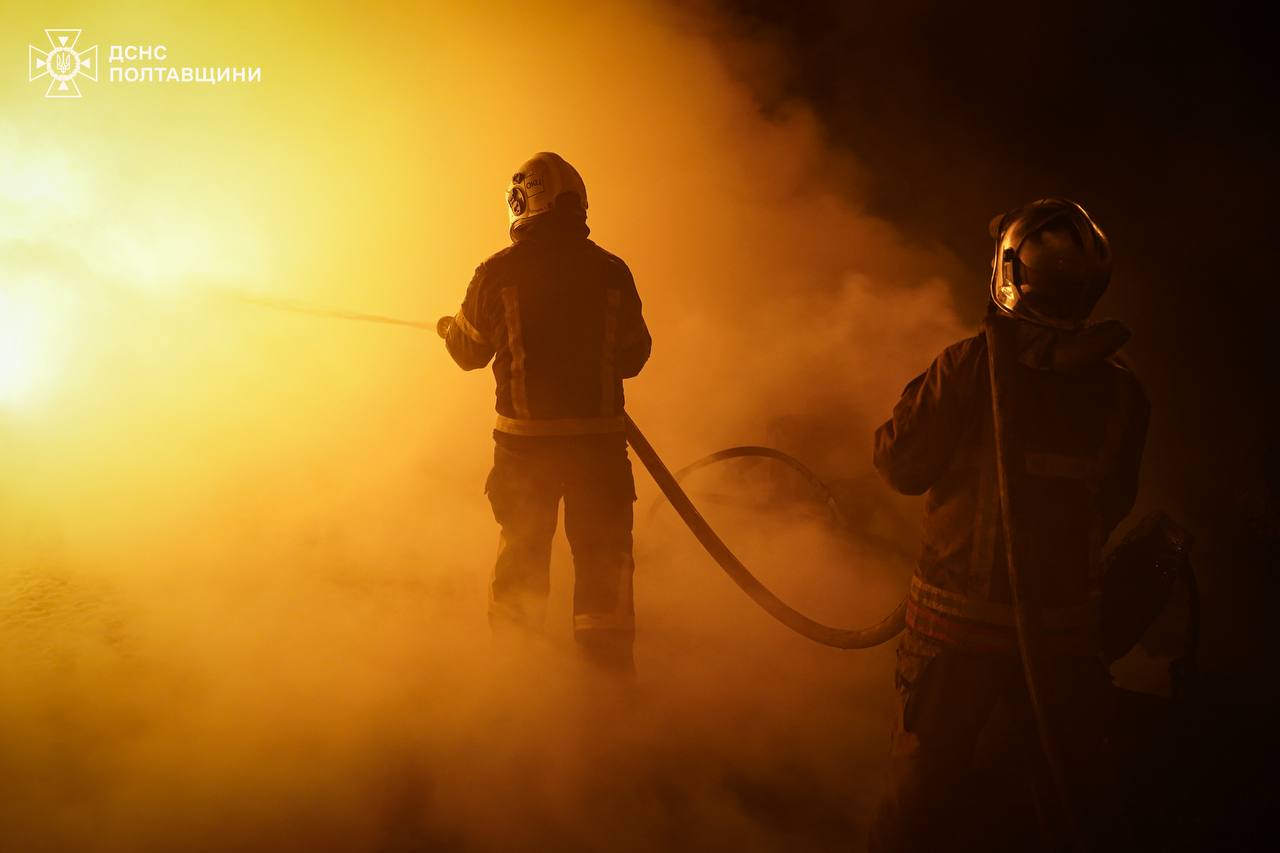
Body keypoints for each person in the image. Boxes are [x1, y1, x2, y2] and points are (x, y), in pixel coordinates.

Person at [869, 199, 1149, 851]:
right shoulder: (1123, 393)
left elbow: (900, 463)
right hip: (1062, 650)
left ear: (1006, 275)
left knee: (920, 803)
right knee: (1059, 806)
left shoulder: (969, 366)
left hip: (953, 640)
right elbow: (1115, 502)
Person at [442, 152, 651, 674]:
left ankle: (519, 685)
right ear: (575, 202)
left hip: (523, 454)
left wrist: (450, 330)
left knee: (522, 564)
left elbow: (468, 354)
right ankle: (608, 689)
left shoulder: (496, 272)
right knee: (604, 565)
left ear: (521, 200)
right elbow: (634, 356)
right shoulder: (610, 270)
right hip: (599, 454)